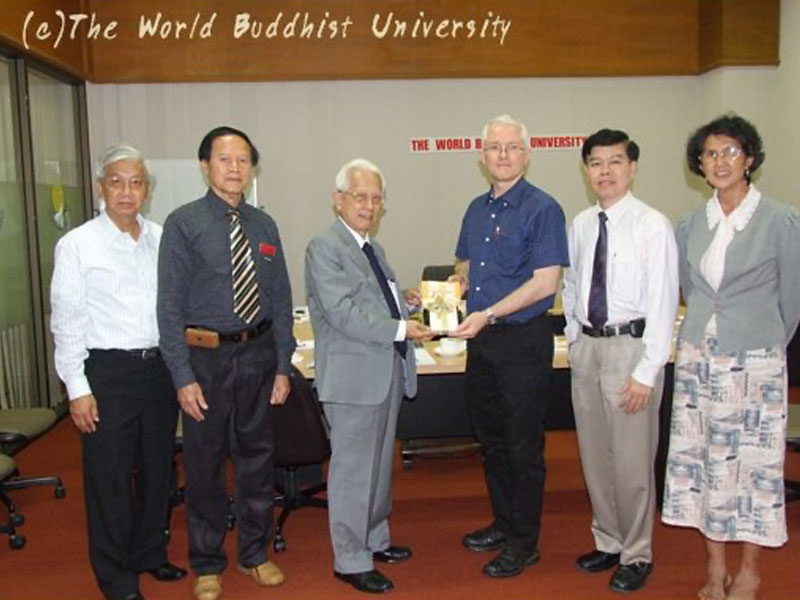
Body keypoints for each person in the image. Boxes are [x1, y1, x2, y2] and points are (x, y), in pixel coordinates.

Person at [662, 114, 800, 600]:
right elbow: (688, 290)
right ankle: (714, 567)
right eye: (710, 154)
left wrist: (759, 342)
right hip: (699, 360)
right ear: (699, 164)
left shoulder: (780, 219)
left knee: (755, 470)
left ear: (750, 159)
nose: (720, 162)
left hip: (756, 361)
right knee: (704, 465)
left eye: (730, 152)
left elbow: (793, 301)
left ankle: (751, 570)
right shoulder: (688, 224)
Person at [157, 126, 295, 600]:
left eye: (242, 160)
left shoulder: (264, 226)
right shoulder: (183, 223)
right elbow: (168, 308)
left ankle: (255, 554)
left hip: (257, 356)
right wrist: (181, 375)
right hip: (205, 360)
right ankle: (208, 562)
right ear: (205, 166)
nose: (235, 168)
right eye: (224, 159)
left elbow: (280, 297)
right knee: (205, 464)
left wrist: (282, 364)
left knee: (258, 460)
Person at [51, 145, 186, 600]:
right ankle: (115, 576)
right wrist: (77, 388)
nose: (126, 191)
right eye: (116, 181)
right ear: (100, 186)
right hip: (106, 373)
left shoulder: (162, 237)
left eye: (135, 182)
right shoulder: (77, 245)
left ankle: (150, 551)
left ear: (146, 190)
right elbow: (66, 322)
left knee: (156, 470)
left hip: (158, 371)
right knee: (109, 478)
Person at [305, 158, 434, 594]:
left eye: (376, 198)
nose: (369, 205)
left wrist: (407, 305)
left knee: (378, 467)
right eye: (360, 196)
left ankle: (374, 538)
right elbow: (341, 313)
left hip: (384, 371)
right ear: (338, 199)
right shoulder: (324, 247)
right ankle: (350, 558)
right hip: (353, 378)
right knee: (353, 471)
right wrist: (400, 327)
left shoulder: (370, 249)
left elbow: (376, 304)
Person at [450, 114, 569, 578]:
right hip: (482, 344)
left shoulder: (543, 209)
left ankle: (525, 541)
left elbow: (545, 284)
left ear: (527, 154)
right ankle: (503, 522)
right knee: (493, 441)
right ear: (482, 156)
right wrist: (449, 290)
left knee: (522, 447)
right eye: (494, 147)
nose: (503, 154)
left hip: (521, 341)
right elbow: (465, 264)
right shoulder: (476, 209)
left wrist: (489, 312)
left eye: (511, 147)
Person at [562, 129, 679, 593]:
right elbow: (572, 285)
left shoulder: (653, 224)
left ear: (632, 167)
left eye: (615, 161)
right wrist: (574, 338)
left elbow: (665, 302)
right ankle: (608, 539)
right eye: (596, 163)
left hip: (631, 349)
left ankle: (636, 553)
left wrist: (647, 371)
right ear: (586, 171)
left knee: (632, 463)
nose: (605, 171)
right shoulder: (581, 223)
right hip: (587, 348)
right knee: (595, 457)